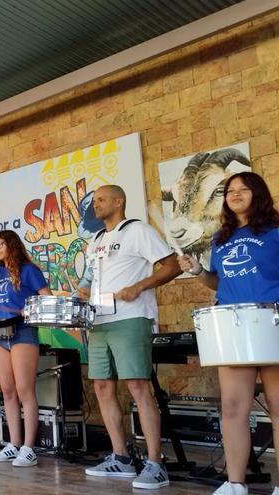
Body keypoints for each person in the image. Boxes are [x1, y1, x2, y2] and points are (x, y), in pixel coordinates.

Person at [177, 172, 279, 495]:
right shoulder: (221, 239)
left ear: (257, 193)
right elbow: (220, 282)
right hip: (234, 327)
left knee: (278, 407)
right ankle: (235, 484)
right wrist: (198, 271)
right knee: (233, 408)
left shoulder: (276, 231)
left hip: (271, 321)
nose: (234, 194)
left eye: (242, 189)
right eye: (230, 190)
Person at [78, 185, 181, 489]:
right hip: (99, 320)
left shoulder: (136, 230)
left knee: (137, 384)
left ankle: (155, 463)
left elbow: (172, 265)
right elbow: (93, 280)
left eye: (100, 200)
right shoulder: (94, 240)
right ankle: (121, 458)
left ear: (119, 201)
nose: (95, 205)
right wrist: (85, 292)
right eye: (94, 200)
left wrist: (141, 285)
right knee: (102, 386)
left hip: (130, 317)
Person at [0, 230, 51, 466]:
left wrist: (28, 311)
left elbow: (47, 298)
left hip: (23, 332)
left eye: (0, 243)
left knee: (25, 390)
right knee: (8, 392)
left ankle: (29, 448)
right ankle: (13, 444)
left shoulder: (29, 270)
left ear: (12, 244)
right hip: (0, 335)